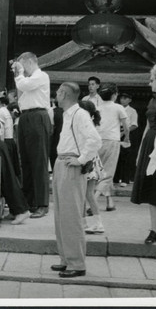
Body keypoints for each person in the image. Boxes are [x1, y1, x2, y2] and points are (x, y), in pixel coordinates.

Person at [51, 82, 101, 278]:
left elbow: (94, 140)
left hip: (71, 164)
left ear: (63, 94)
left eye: (58, 92)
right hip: (62, 162)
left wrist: (80, 160)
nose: (56, 94)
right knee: (62, 215)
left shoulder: (79, 114)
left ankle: (77, 263)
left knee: (71, 216)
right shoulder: (68, 114)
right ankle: (66, 259)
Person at [131, 64, 156, 245]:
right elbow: (147, 125)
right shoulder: (152, 100)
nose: (149, 83)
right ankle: (154, 229)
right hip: (150, 144)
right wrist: (140, 152)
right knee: (152, 186)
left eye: (152, 80)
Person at [11, 52, 51, 218]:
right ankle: (28, 203)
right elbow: (21, 96)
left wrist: (19, 73)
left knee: (39, 161)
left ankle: (42, 203)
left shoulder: (41, 76)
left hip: (38, 116)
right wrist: (19, 74)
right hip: (26, 116)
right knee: (25, 161)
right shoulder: (26, 80)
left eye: (21, 64)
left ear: (28, 62)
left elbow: (24, 86)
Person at [94, 83, 129, 212]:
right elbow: (126, 125)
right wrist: (127, 137)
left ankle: (110, 202)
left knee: (99, 172)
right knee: (107, 174)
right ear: (114, 95)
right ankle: (93, 201)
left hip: (98, 141)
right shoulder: (118, 107)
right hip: (112, 140)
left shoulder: (97, 108)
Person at [78, 100, 106, 234]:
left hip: (87, 161)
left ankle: (88, 223)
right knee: (87, 194)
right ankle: (95, 223)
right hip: (92, 162)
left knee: (85, 194)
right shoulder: (92, 123)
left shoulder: (85, 124)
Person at [113, 93, 139, 187]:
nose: (122, 100)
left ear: (129, 100)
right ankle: (115, 178)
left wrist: (124, 133)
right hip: (115, 132)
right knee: (116, 156)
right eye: (121, 98)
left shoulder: (132, 111)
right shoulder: (116, 108)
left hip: (127, 133)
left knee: (126, 157)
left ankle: (125, 179)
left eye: (125, 98)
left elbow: (134, 125)